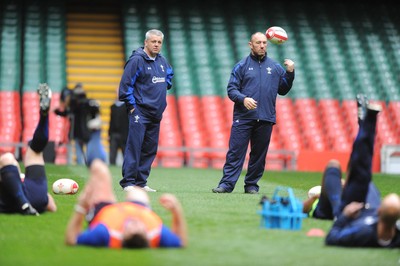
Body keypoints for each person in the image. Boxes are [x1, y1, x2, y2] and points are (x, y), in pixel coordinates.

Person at [64, 126, 187, 249]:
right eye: (140, 228)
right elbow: (181, 242)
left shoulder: (105, 233)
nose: (135, 223)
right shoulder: (154, 232)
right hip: (139, 210)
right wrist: (177, 210)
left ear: (123, 235)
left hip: (106, 214)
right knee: (137, 191)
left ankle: (95, 132)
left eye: (131, 228)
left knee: (100, 170)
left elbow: (71, 239)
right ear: (146, 234)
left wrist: (81, 207)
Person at [212, 32, 295, 194]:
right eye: (258, 43)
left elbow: (283, 90)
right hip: (243, 117)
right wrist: (243, 99)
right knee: (235, 152)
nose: (262, 45)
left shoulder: (275, 67)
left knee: (259, 155)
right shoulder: (241, 66)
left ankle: (251, 185)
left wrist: (290, 73)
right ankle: (226, 185)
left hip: (266, 117)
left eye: (264, 43)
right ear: (251, 45)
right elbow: (231, 89)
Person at [321, 96, 400, 247]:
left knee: (356, 171)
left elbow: (331, 238)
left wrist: (344, 216)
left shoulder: (363, 232)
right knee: (361, 174)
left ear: (380, 211)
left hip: (351, 209)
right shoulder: (396, 235)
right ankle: (364, 124)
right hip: (368, 203)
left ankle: (367, 122)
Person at [118, 29, 174, 192]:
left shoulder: (162, 61)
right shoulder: (136, 60)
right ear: (146, 42)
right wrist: (132, 108)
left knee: (150, 149)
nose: (156, 45)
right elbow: (125, 86)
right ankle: (128, 182)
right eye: (153, 42)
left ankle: (140, 183)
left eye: (159, 42)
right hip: (139, 113)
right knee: (135, 147)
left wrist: (166, 84)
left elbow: (169, 74)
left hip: (156, 114)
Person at [0, 83, 57, 215]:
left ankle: (24, 204)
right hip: (34, 195)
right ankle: (44, 117)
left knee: (20, 156)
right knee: (30, 153)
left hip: (16, 197)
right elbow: (51, 206)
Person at [54, 83, 101, 165]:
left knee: (79, 151)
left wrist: (57, 111)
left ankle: (82, 164)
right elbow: (96, 112)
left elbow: (66, 113)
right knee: (87, 150)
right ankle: (88, 163)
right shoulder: (88, 103)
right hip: (87, 131)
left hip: (77, 132)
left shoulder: (74, 105)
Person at [108, 97, 129, 165]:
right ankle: (112, 167)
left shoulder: (127, 107)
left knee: (125, 154)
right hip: (114, 134)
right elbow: (111, 121)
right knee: (112, 154)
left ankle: (127, 167)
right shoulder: (113, 107)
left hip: (124, 134)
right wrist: (109, 134)